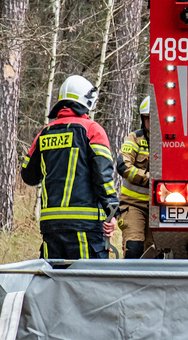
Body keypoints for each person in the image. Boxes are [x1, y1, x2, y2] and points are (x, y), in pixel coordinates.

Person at [21, 75, 120, 260]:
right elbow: (103, 177)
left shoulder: (44, 133)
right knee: (85, 283)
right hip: (85, 226)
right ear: (86, 101)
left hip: (51, 227)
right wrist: (112, 211)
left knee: (54, 283)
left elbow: (28, 175)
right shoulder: (92, 130)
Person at [116, 97, 152, 259]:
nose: (152, 123)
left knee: (154, 254)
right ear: (142, 120)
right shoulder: (135, 138)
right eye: (148, 119)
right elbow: (123, 166)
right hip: (133, 205)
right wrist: (149, 179)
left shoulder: (172, 142)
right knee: (134, 248)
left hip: (160, 207)